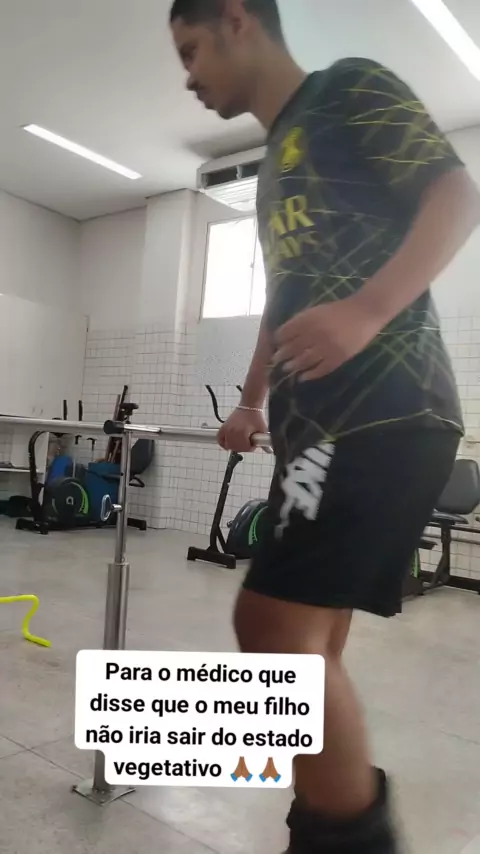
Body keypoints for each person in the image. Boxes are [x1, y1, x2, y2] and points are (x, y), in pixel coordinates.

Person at [170, 1, 480, 851]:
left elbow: (457, 192)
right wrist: (251, 400)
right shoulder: (275, 166)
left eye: (191, 50)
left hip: (382, 405)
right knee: (311, 638)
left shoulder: (347, 88)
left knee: (269, 629)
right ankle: (322, 815)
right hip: (320, 425)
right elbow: (286, 298)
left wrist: (369, 309)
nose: (188, 76)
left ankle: (347, 840)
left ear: (237, 18)